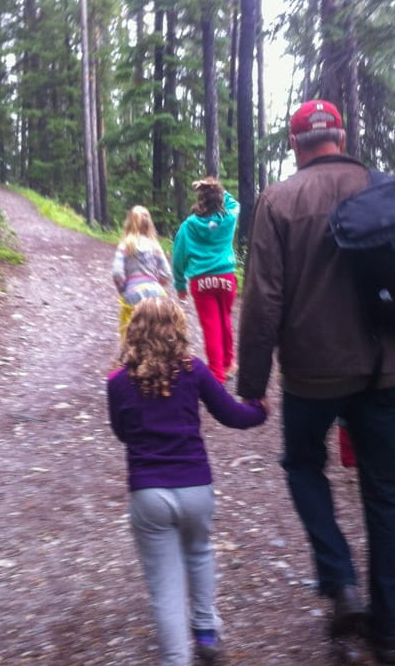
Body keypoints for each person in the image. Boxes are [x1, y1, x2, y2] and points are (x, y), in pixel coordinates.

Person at [236, 100, 395, 665]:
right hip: (387, 367)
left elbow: (264, 296)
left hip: (313, 371)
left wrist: (253, 381)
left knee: (301, 464)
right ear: (341, 136)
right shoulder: (384, 189)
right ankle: (388, 629)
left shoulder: (279, 201)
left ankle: (340, 580)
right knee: (385, 491)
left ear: (296, 144)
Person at [107, 296, 268, 666]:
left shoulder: (117, 381)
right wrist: (259, 410)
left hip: (148, 493)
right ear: (177, 331)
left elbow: (122, 432)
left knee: (165, 586)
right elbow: (232, 415)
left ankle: (176, 658)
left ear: (133, 332)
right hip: (196, 488)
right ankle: (207, 633)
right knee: (198, 554)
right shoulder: (192, 370)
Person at [171, 177, 240, 383]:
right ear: (220, 200)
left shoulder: (188, 226)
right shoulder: (228, 220)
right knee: (225, 320)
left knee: (211, 326)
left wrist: (180, 283)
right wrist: (217, 190)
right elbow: (235, 204)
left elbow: (178, 256)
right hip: (226, 278)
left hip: (201, 282)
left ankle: (216, 374)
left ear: (200, 199)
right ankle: (229, 363)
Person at [112, 205, 173, 338]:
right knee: (157, 332)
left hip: (133, 293)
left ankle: (133, 356)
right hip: (156, 293)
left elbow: (117, 273)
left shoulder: (125, 245)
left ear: (130, 223)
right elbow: (167, 273)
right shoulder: (155, 246)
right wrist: (157, 284)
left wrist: (123, 289)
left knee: (130, 332)